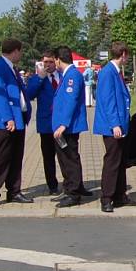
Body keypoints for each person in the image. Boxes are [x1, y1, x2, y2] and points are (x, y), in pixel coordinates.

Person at [0, 39, 33, 207]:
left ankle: (14, 190)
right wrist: (8, 118)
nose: (21, 55)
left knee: (16, 157)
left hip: (17, 120)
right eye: (20, 52)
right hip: (5, 123)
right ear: (14, 51)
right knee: (2, 158)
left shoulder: (10, 68)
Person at [94, 42, 136, 213]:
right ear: (123, 54)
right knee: (112, 161)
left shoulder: (115, 72)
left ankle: (119, 194)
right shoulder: (108, 72)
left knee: (119, 160)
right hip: (112, 125)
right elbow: (107, 100)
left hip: (120, 123)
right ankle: (107, 197)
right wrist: (115, 124)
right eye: (127, 55)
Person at [52, 46, 89, 208]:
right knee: (70, 158)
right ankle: (76, 187)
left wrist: (63, 124)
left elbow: (70, 101)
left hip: (68, 127)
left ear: (58, 59)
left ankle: (72, 193)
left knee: (69, 160)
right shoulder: (67, 75)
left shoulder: (72, 76)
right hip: (66, 126)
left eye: (54, 60)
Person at [25, 50, 61, 195]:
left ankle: (72, 184)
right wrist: (40, 78)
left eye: (50, 62)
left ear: (56, 62)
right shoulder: (38, 78)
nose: (47, 65)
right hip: (46, 124)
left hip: (61, 124)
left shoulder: (63, 76)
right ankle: (52, 185)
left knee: (67, 155)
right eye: (45, 62)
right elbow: (29, 94)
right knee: (48, 156)